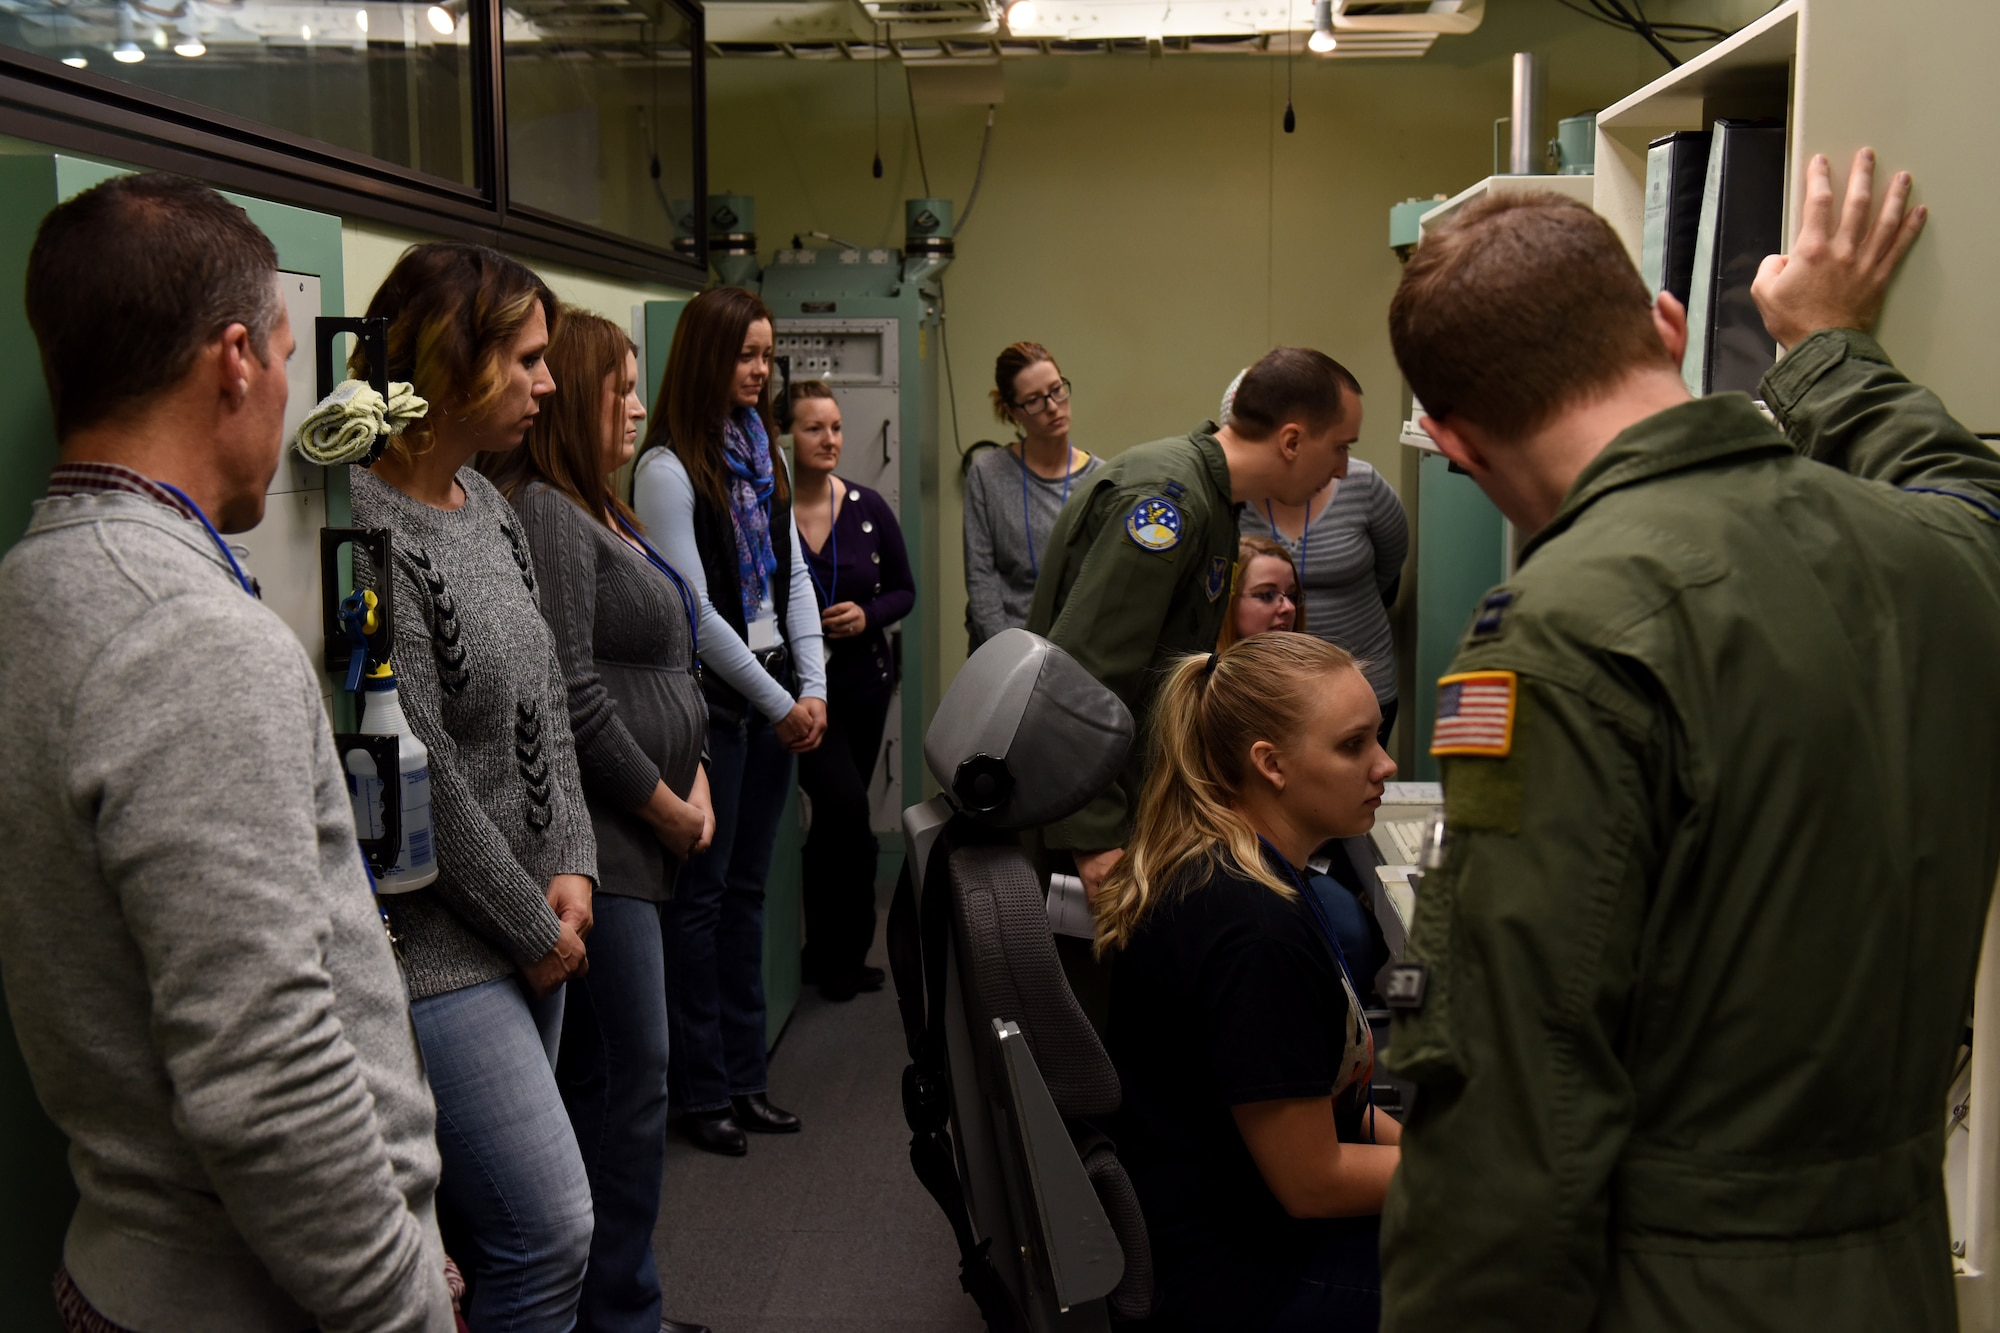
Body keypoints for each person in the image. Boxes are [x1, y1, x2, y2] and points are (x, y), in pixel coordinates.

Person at [1379, 152, 2000, 1331]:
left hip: (1675, 1288)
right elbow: (1962, 487)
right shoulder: (1936, 565)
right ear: (1666, 326)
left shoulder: (1561, 630)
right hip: (1901, 1267)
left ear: (1450, 440)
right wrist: (1825, 346)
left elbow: (1512, 1106)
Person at [0, 173, 453, 1330]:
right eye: (294, 355)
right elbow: (270, 1075)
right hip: (255, 1294)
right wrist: (403, 1304)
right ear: (237, 359)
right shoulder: (188, 635)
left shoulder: (35, 589)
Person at [349, 242, 598, 1332]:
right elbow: (414, 766)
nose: (549, 384)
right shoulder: (367, 526)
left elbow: (544, 699)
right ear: (453, 360)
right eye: (528, 359)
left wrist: (575, 865)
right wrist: (529, 922)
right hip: (446, 952)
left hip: (539, 921)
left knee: (500, 1245)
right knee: (549, 1232)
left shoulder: (488, 505)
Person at [483, 307, 715, 1333]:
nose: (633, 406)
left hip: (642, 838)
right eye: (617, 387)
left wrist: (695, 765)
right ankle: (618, 1315)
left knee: (630, 1085)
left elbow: (663, 665)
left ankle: (624, 1303)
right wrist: (667, 803)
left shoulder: (600, 506)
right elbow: (571, 693)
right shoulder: (547, 513)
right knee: (627, 1084)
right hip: (605, 845)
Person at [1096, 633, 1402, 1332]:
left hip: (1239, 1232)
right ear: (1271, 764)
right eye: (1353, 745)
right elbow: (1311, 1181)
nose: (1384, 764)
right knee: (1529, 1275)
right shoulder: (1252, 928)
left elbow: (1332, 1106)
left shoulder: (1239, 868)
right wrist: (1479, 1187)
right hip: (1240, 1284)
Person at [1027, 346, 1364, 899]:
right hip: (1087, 818)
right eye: (1341, 446)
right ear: (1292, 440)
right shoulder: (1169, 500)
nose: (1343, 468)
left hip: (1129, 798)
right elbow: (1083, 677)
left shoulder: (1214, 499)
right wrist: (1092, 838)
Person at [633, 286, 824, 1156]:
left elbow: (792, 580)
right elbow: (693, 612)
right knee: (701, 907)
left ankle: (748, 1078)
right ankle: (701, 1091)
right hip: (718, 705)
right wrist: (780, 703)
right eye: (747, 354)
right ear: (709, 355)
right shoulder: (669, 466)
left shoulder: (764, 451)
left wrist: (810, 684)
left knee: (749, 898)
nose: (760, 370)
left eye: (767, 354)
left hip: (774, 690)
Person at [789, 380, 916, 1001]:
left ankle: (832, 951)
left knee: (840, 822)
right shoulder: (767, 512)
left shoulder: (867, 506)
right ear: (785, 437)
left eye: (836, 427)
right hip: (801, 696)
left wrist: (869, 616)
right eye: (814, 428)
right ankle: (840, 955)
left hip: (863, 685)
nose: (830, 439)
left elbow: (904, 590)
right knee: (845, 812)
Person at [1237, 421, 1407, 740]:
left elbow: (1391, 564)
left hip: (1362, 677)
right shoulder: (1233, 495)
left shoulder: (1362, 484)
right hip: (1264, 687)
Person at [963, 341, 1103, 648]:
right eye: (1034, 401)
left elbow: (1102, 585)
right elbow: (981, 578)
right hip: (1003, 647)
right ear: (1014, 413)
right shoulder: (987, 473)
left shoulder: (1100, 479)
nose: (1053, 406)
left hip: (1076, 652)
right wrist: (1005, 655)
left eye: (1057, 390)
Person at [1219, 533, 1303, 649]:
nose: (1289, 607)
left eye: (1292, 595)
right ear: (1228, 601)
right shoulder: (1202, 666)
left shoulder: (1313, 665)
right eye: (1267, 595)